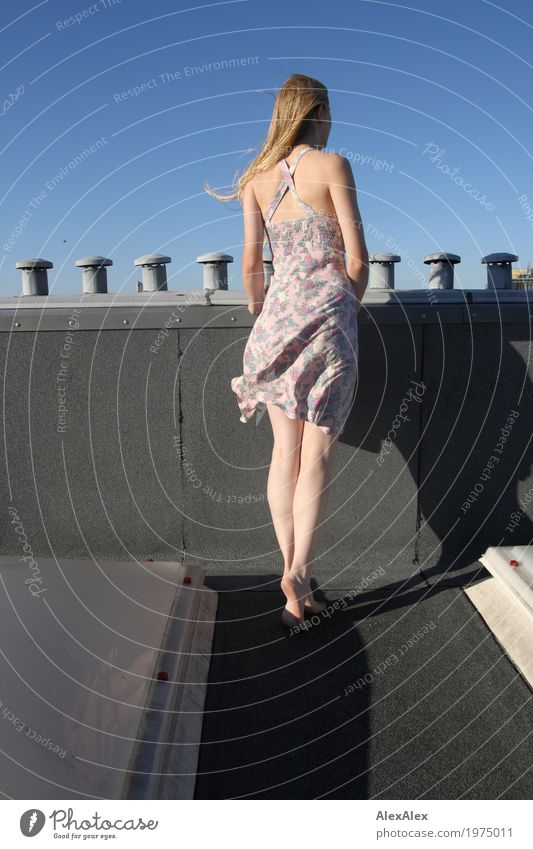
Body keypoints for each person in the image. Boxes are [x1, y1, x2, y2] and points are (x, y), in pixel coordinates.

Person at [205, 73, 369, 629]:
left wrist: (264, 313)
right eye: (330, 111)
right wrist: (344, 306)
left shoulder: (256, 179)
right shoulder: (333, 165)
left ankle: (289, 576)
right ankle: (300, 570)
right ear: (316, 111)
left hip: (276, 321)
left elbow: (253, 268)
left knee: (284, 454)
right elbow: (358, 260)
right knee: (317, 454)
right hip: (328, 321)